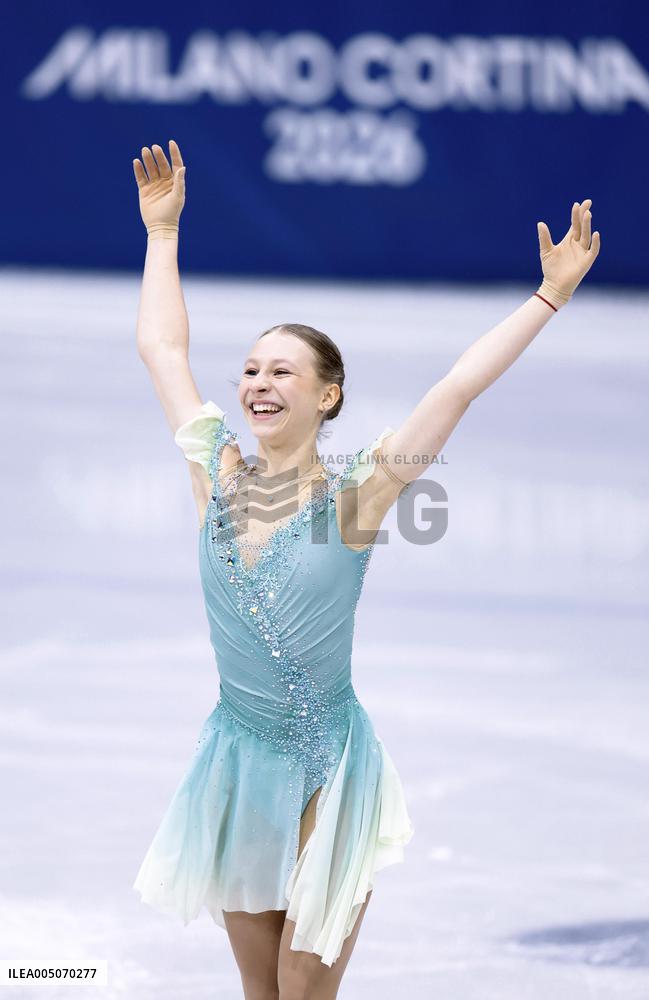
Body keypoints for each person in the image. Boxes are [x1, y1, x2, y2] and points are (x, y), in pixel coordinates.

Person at [130, 140, 600, 999]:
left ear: (327, 395)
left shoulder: (359, 497)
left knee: (304, 992)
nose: (257, 383)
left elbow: (456, 389)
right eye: (250, 369)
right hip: (237, 762)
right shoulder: (214, 471)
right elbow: (163, 351)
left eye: (283, 371)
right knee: (262, 994)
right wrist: (164, 233)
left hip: (329, 771)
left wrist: (548, 297)